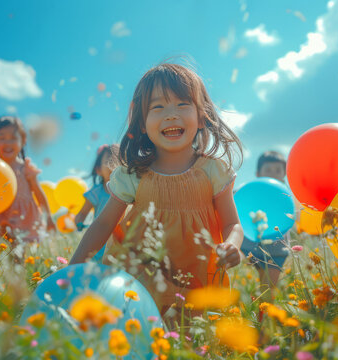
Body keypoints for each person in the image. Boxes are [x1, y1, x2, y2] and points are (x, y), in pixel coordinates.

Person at [70, 62, 244, 315]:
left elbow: (232, 224)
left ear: (202, 116)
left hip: (197, 281)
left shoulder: (213, 171)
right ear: (142, 123)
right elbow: (103, 224)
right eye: (158, 107)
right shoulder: (134, 174)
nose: (170, 114)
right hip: (138, 278)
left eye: (182, 104)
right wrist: (72, 272)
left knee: (190, 344)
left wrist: (232, 245)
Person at [0, 116, 56, 242]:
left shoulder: (26, 168)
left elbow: (39, 194)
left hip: (23, 220)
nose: (8, 143)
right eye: (2, 138)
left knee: (19, 253)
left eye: (13, 138)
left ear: (23, 140)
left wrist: (49, 218)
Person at [241, 151, 291, 293]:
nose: (273, 174)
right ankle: (258, 311)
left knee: (268, 289)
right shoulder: (252, 194)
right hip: (252, 248)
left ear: (283, 175)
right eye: (268, 170)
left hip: (277, 250)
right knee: (258, 287)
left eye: (277, 170)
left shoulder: (284, 196)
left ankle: (265, 313)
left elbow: (288, 219)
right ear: (258, 174)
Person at [74, 144, 119, 260]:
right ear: (98, 170)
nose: (113, 164)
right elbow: (82, 213)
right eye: (109, 160)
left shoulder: (127, 189)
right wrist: (79, 221)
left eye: (117, 159)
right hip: (100, 237)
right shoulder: (96, 192)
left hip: (121, 239)